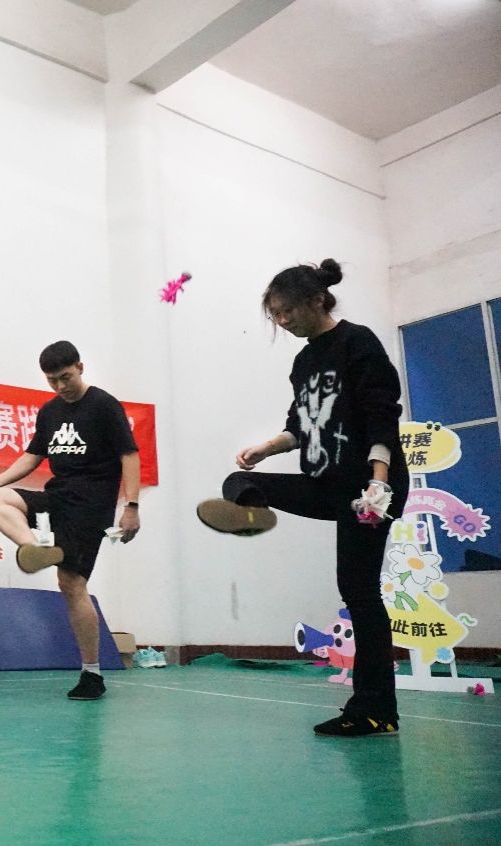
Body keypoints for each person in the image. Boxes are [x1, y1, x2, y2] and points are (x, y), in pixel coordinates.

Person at [196, 259, 408, 738]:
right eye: (275, 314)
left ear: (317, 300)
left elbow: (382, 415)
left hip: (368, 489)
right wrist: (264, 449)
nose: (282, 320)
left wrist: (379, 481)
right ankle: (253, 514)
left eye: (287, 310)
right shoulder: (303, 361)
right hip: (325, 483)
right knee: (238, 480)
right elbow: (300, 426)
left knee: (358, 591)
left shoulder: (358, 342)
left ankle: (375, 711)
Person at [0, 341, 140, 701]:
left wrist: (132, 506)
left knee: (71, 584)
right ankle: (34, 549)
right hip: (57, 498)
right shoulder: (49, 412)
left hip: (90, 507)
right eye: (52, 380)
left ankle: (92, 673)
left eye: (65, 377)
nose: (61, 386)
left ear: (80, 368)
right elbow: (32, 457)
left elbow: (129, 455)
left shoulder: (104, 405)